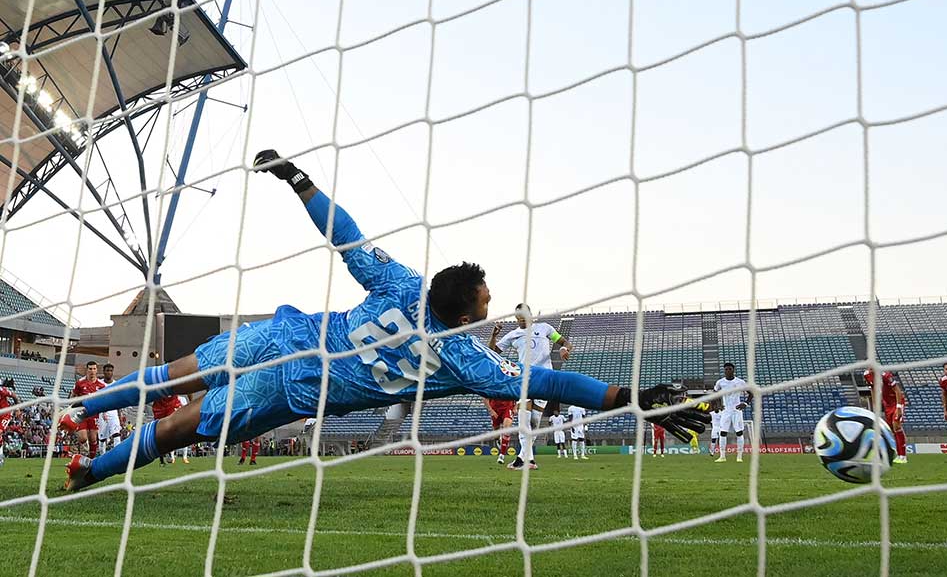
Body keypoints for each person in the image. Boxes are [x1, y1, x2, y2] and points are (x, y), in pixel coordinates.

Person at [59, 150, 709, 492]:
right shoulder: (467, 358)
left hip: (289, 338)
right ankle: (92, 467)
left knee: (176, 374)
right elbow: (551, 386)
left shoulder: (402, 282)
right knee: (179, 426)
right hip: (297, 387)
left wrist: (303, 183)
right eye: (485, 304)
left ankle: (83, 415)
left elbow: (347, 237)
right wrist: (630, 398)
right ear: (463, 313)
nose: (490, 309)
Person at [490, 304, 575, 471]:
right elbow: (492, 351)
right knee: (524, 419)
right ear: (516, 318)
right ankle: (529, 460)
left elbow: (564, 341)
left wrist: (564, 348)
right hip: (525, 379)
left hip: (545, 378)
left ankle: (522, 458)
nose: (521, 318)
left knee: (535, 421)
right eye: (518, 316)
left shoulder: (544, 328)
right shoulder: (513, 335)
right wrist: (494, 335)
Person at [863, 369, 908, 464]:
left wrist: (899, 407)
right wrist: (875, 407)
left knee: (897, 425)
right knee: (891, 428)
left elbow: (898, 391)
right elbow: (873, 390)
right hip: (887, 404)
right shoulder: (867, 375)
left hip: (896, 402)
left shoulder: (885, 375)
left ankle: (903, 456)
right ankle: (897, 453)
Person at [713, 363, 751, 463]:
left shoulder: (740, 382)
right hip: (725, 411)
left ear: (733, 370)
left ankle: (739, 456)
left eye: (729, 369)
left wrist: (745, 403)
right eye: (726, 369)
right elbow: (715, 394)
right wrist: (718, 405)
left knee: (739, 432)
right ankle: (722, 456)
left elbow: (751, 393)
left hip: (736, 411)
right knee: (722, 433)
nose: (728, 371)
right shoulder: (720, 382)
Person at [71, 361, 104, 458]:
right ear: (87, 370)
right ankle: (83, 456)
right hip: (81, 413)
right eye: (90, 369)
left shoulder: (101, 386)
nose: (92, 371)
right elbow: (73, 396)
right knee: (83, 438)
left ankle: (91, 459)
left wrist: (104, 412)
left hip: (94, 414)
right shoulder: (80, 383)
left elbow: (103, 400)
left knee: (93, 438)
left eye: (94, 369)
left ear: (97, 370)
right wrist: (72, 407)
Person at [96, 363, 123, 456]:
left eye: (111, 371)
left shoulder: (116, 384)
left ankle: (117, 457)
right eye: (107, 370)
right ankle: (102, 456)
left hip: (113, 413)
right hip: (102, 413)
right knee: (102, 438)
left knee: (116, 435)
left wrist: (120, 415)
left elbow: (118, 401)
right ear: (103, 372)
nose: (109, 372)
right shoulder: (99, 384)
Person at [151, 394, 185, 466]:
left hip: (171, 403)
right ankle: (162, 459)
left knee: (169, 430)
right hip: (159, 404)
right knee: (159, 434)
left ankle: (167, 453)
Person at [484, 397, 515, 465]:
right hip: (495, 409)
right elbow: (484, 398)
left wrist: (515, 407)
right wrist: (490, 410)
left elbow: (517, 394)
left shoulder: (510, 386)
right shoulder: (491, 386)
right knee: (496, 433)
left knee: (507, 429)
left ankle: (501, 455)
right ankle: (498, 440)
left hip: (507, 407)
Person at [0, 378, 19, 467]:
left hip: (6, 414)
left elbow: (14, 396)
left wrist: (17, 408)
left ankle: (0, 457)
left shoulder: (2, 391)